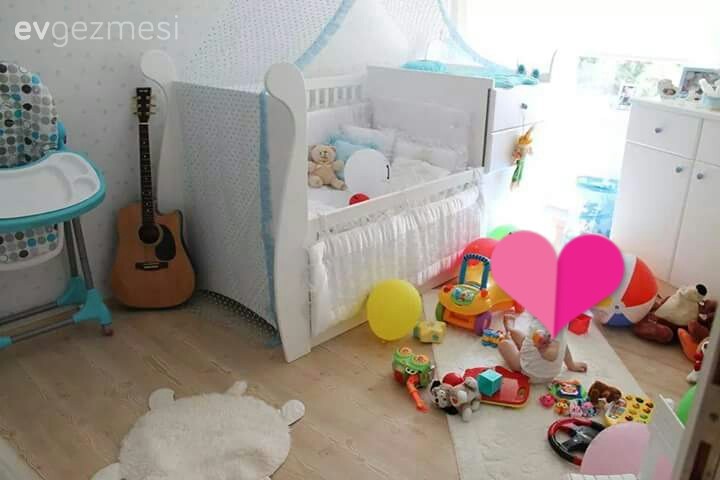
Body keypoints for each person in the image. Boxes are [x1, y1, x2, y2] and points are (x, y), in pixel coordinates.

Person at [499, 314, 587, 384]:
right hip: (551, 373)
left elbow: (552, 355)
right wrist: (571, 364)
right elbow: (563, 344)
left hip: (529, 372)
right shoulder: (561, 321)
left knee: (504, 344)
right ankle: (510, 330)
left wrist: (543, 350)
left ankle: (509, 333)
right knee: (524, 337)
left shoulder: (545, 325)